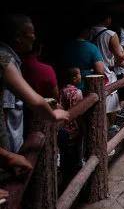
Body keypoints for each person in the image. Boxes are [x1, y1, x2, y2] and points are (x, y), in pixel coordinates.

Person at [0, 14, 69, 153]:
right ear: (18, 37)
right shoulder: (5, 60)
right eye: (31, 33)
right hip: (9, 144)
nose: (34, 37)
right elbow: (10, 107)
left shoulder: (14, 59)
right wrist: (54, 115)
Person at [89, 13, 124, 128]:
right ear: (108, 19)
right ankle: (108, 132)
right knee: (109, 107)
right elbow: (120, 57)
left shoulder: (89, 32)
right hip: (106, 73)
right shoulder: (110, 34)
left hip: (91, 73)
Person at [58, 68, 84, 184]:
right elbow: (80, 111)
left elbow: (60, 105)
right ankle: (77, 173)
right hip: (75, 126)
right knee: (77, 150)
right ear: (74, 78)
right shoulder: (78, 92)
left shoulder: (62, 90)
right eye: (79, 75)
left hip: (64, 126)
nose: (81, 76)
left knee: (65, 152)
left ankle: (65, 174)